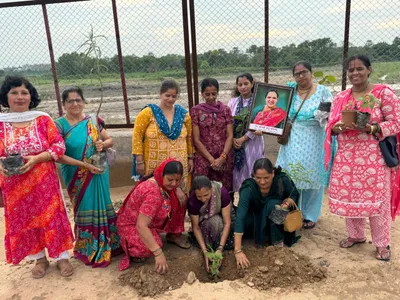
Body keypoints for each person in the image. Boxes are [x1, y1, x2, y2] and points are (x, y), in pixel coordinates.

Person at [325, 55, 400, 261]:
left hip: (373, 157)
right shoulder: (341, 98)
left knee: (377, 202)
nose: (355, 73)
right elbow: (331, 125)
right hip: (346, 156)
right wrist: (339, 127)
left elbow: (396, 122)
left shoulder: (382, 94)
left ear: (369, 70)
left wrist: (373, 127)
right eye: (351, 70)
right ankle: (356, 235)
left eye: (359, 69)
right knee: (351, 199)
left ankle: (382, 243)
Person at [0, 76, 74, 278]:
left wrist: (37, 158)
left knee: (52, 217)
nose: (20, 97)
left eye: (24, 92)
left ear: (31, 96)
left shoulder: (42, 120)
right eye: (14, 92)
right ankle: (39, 259)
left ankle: (61, 257)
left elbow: (58, 146)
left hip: (44, 183)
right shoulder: (0, 123)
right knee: (27, 221)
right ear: (6, 97)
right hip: (15, 185)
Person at [55, 87, 122, 268]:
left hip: (99, 170)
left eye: (78, 100)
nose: (75, 104)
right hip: (76, 175)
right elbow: (58, 154)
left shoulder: (93, 120)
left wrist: (102, 143)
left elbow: (110, 140)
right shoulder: (59, 125)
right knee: (83, 208)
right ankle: (87, 247)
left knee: (103, 202)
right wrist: (84, 165)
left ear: (84, 102)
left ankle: (110, 244)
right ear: (64, 104)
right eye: (70, 101)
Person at [132, 80, 193, 249]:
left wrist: (190, 157)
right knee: (154, 199)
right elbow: (137, 136)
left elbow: (189, 137)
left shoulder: (183, 114)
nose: (170, 99)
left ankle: (175, 233)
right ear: (160, 94)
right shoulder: (147, 113)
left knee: (180, 198)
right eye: (167, 95)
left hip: (179, 165)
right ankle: (151, 233)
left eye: (174, 96)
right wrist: (139, 160)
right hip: (154, 165)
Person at [276, 61, 333, 229]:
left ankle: (309, 214)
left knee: (312, 176)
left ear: (311, 72)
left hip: (314, 139)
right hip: (292, 138)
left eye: (304, 72)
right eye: (297, 73)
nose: (301, 76)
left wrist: (323, 115)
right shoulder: (290, 90)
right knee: (291, 174)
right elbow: (274, 104)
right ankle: (292, 212)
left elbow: (330, 114)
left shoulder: (323, 91)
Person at [116, 159, 185, 273]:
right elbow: (141, 226)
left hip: (145, 221)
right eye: (170, 180)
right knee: (149, 247)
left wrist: (178, 189)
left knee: (181, 198)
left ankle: (169, 233)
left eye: (177, 180)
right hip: (132, 224)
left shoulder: (162, 184)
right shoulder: (153, 194)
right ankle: (132, 246)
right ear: (161, 175)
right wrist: (158, 254)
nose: (173, 184)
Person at [234, 158, 300, 269]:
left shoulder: (281, 180)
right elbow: (240, 216)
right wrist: (238, 250)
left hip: (276, 221)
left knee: (273, 205)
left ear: (273, 173)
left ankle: (278, 244)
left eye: (266, 178)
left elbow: (294, 194)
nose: (262, 182)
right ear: (253, 175)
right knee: (240, 222)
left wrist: (287, 203)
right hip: (255, 221)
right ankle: (261, 237)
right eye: (258, 178)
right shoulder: (248, 188)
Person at [191, 78, 234, 191]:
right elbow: (196, 139)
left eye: (214, 94)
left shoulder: (225, 110)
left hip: (223, 155)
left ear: (218, 93)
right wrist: (211, 160)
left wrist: (222, 157)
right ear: (202, 94)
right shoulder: (196, 111)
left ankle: (226, 208)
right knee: (202, 188)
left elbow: (230, 135)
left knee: (224, 190)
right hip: (204, 156)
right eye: (207, 94)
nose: (210, 97)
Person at [188, 175, 233, 271]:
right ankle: (209, 248)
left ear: (211, 189)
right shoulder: (192, 200)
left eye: (206, 195)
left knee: (217, 221)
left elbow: (227, 222)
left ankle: (217, 248)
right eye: (199, 196)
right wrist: (205, 251)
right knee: (213, 222)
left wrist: (220, 248)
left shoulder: (221, 192)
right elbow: (195, 227)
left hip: (221, 223)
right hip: (204, 225)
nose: (203, 199)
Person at [228, 73, 264, 192]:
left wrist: (243, 138)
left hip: (253, 142)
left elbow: (259, 123)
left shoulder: (259, 101)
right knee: (237, 175)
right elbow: (228, 122)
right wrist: (232, 138)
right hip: (235, 144)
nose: (243, 87)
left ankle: (253, 205)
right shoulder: (233, 102)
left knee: (253, 171)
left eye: (246, 84)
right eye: (240, 84)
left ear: (252, 83)